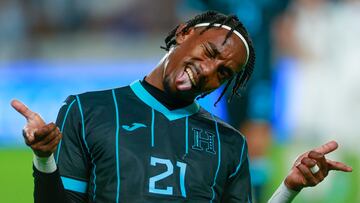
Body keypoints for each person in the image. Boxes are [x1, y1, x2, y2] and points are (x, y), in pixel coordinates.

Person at [11, 11, 352, 203]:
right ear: (184, 33)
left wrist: (289, 188)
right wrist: (45, 160)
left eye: (223, 73)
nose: (207, 71)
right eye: (209, 54)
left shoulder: (229, 146)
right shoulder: (88, 110)